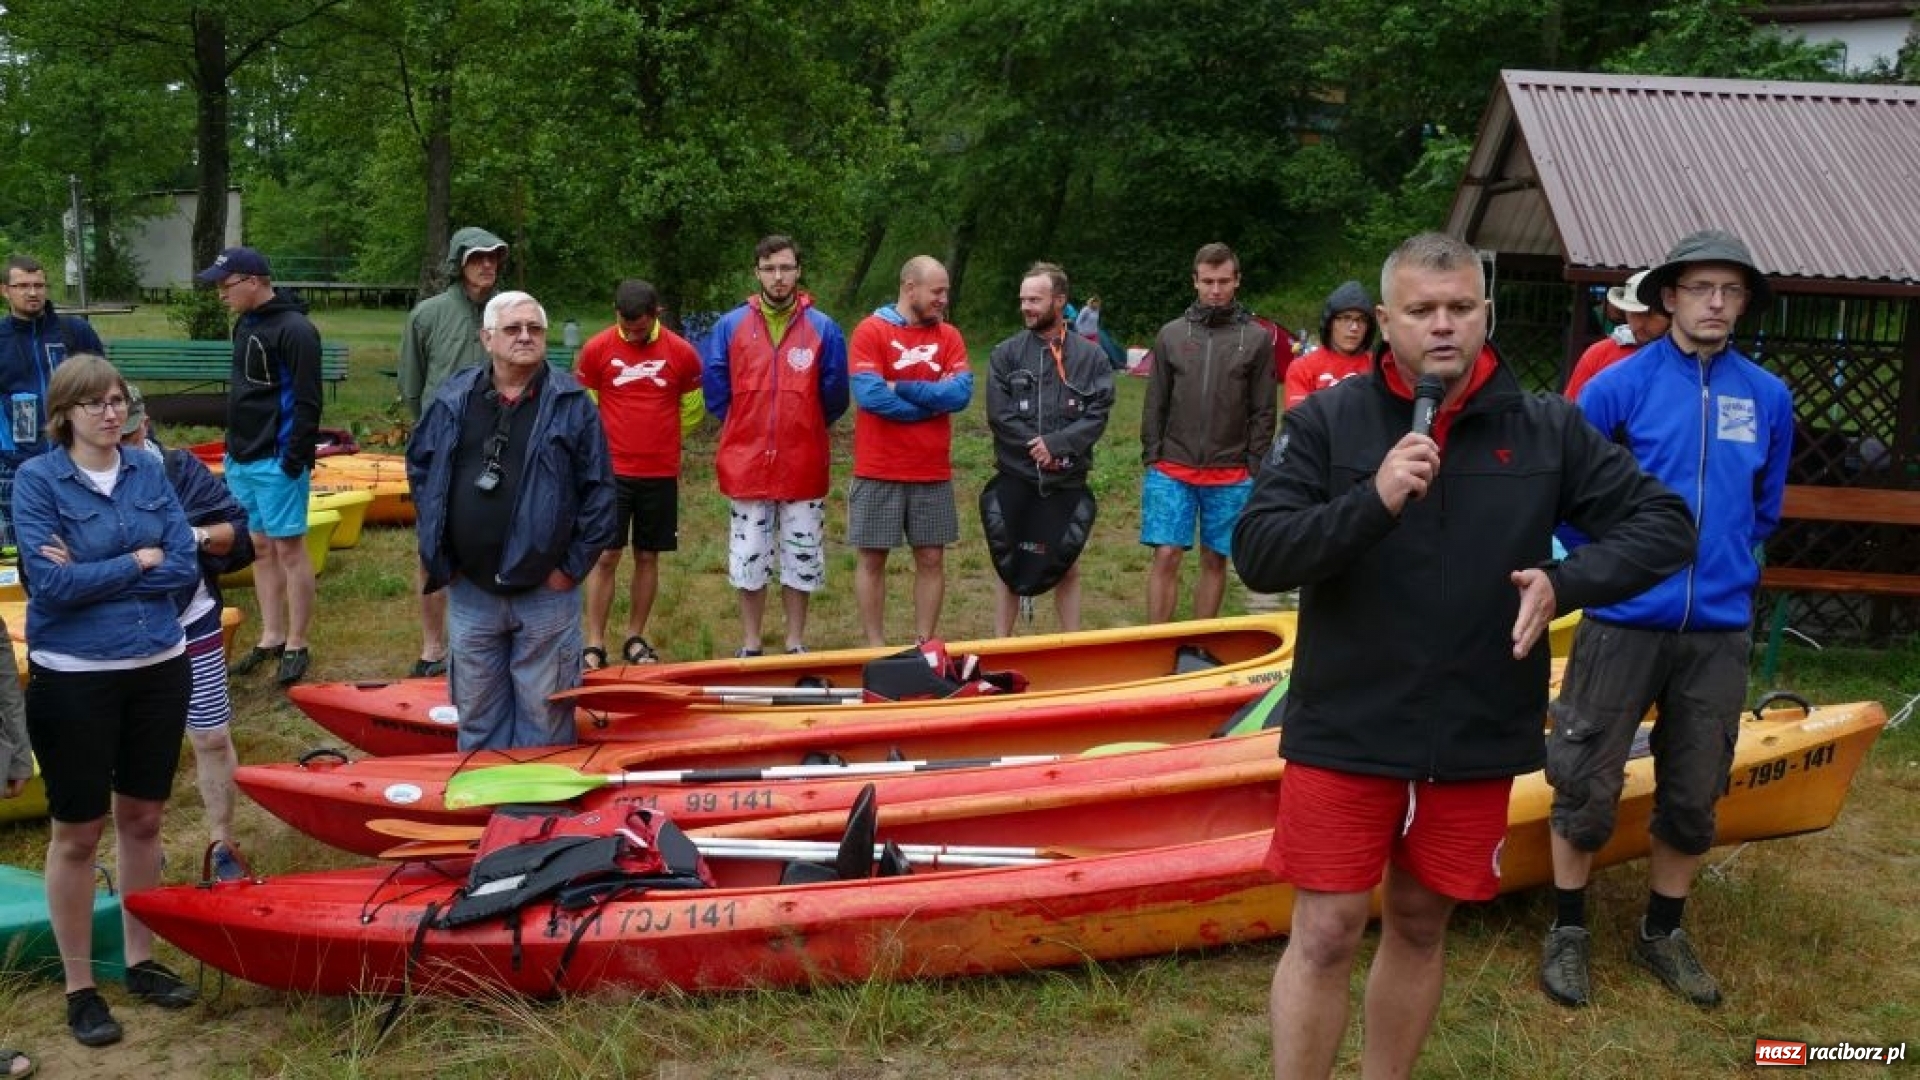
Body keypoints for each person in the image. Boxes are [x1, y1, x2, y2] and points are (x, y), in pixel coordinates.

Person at [1231, 231, 1694, 1080]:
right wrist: (1371, 499)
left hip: (1478, 722)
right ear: (1382, 321)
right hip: (1349, 718)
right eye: (1421, 311)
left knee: (1419, 922)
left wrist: (1567, 580)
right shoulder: (1330, 421)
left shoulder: (1546, 426)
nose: (1442, 326)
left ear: (1486, 312)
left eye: (1459, 308)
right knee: (1327, 929)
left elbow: (1666, 524)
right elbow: (1258, 551)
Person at [1542, 229, 1794, 1011]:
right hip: (1622, 618)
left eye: (1731, 291)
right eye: (1701, 288)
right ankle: (1568, 929)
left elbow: (1763, 510)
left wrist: (1722, 567)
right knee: (1585, 777)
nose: (1715, 303)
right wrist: (1612, 564)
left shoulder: (1768, 397)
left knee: (1694, 789)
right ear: (1670, 297)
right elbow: (1570, 492)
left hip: (1716, 627)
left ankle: (1662, 931)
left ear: (1744, 302)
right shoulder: (1618, 387)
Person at [13, 354, 206, 1047]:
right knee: (79, 831)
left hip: (158, 664)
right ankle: (80, 987)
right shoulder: (38, 481)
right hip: (74, 675)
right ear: (65, 412)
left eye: (118, 400)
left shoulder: (148, 471)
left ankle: (140, 960)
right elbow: (50, 586)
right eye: (94, 403)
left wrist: (110, 569)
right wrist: (137, 561)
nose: (110, 412)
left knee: (146, 818)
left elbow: (185, 565)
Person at [407, 291, 615, 751]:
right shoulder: (453, 397)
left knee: (545, 716)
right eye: (513, 329)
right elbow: (422, 471)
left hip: (546, 592)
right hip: (470, 591)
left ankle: (537, 817)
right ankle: (486, 813)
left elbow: (600, 492)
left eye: (535, 329)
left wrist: (569, 570)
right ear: (486, 338)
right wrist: (442, 553)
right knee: (477, 713)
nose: (525, 337)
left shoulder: (572, 403)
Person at [118, 385, 255, 881]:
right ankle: (138, 847)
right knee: (127, 747)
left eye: (130, 431)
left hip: (190, 621)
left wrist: (190, 536)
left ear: (146, 424)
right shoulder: (72, 478)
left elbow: (237, 535)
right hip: (121, 634)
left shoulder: (178, 469)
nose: (121, 442)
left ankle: (222, 842)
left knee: (212, 735)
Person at [702, 235, 848, 656]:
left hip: (802, 458)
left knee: (802, 553)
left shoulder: (823, 327)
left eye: (786, 268)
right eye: (769, 269)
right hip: (746, 459)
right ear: (757, 273)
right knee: (748, 554)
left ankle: (794, 640)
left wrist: (802, 424)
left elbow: (835, 393)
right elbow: (715, 387)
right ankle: (750, 642)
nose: (778, 277)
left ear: (798, 270)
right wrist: (745, 422)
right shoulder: (730, 326)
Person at [197, 246, 323, 687]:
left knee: (290, 550)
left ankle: (297, 641)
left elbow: (307, 401)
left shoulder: (296, 330)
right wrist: (233, 449)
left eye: (225, 286)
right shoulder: (245, 324)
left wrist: (293, 459)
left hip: (278, 461)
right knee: (260, 548)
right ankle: (270, 636)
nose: (221, 295)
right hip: (242, 457)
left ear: (253, 280)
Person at [1139, 242, 1276, 623]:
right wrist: (1153, 453)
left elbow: (1264, 409)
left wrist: (1255, 464)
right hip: (1172, 467)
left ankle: (1200, 644)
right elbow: (1155, 401)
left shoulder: (1257, 339)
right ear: (1194, 282)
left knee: (1215, 558)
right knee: (1166, 554)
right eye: (1208, 281)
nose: (1215, 290)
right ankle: (1156, 642)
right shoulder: (1171, 334)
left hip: (1231, 470)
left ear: (1237, 281)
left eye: (1223, 281)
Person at [398, 226, 509, 678]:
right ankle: (432, 646)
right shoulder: (428, 314)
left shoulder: (509, 311)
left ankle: (489, 639)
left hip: (502, 440)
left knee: (497, 541)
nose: (487, 265)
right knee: (433, 546)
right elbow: (411, 383)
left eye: (494, 258)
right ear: (458, 262)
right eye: (477, 257)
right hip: (441, 443)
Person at [574, 279, 703, 667]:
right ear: (616, 313)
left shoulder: (681, 352)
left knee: (648, 555)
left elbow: (693, 406)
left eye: (640, 329)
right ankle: (594, 643)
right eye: (625, 327)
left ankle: (635, 637)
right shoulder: (597, 349)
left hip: (659, 472)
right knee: (606, 555)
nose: (632, 334)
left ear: (655, 315)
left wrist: (663, 438)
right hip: (611, 473)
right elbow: (587, 405)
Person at [983, 261, 1114, 637]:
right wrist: (1035, 448)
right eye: (1023, 299)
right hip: (1017, 475)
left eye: (1035, 300)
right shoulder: (1005, 354)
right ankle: (1001, 646)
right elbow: (999, 413)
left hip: (1067, 479)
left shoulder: (1092, 358)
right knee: (1008, 562)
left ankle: (1069, 644)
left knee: (1067, 564)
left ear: (1059, 301)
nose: (1027, 307)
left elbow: (1098, 412)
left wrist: (1057, 445)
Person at [848, 256, 972, 646]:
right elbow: (870, 397)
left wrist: (900, 387)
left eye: (946, 292)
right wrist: (932, 405)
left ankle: (924, 644)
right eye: (937, 291)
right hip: (878, 468)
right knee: (872, 559)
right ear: (909, 288)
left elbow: (961, 394)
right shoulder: (871, 331)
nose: (943, 300)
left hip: (931, 470)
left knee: (932, 558)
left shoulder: (949, 336)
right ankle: (875, 647)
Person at [1, 254, 104, 549]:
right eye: (22, 286)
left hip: (76, 453)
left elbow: (104, 382)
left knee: (83, 538)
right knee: (22, 545)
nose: (32, 292)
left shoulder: (74, 331)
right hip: (14, 461)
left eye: (38, 285)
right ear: (5, 290)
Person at [1562, 269, 1671, 400]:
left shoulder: (1690, 357)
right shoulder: (1599, 354)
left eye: (1648, 314)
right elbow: (1571, 410)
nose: (1638, 324)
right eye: (1632, 313)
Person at [1283, 281, 1377, 409]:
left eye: (1361, 319)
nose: (1354, 327)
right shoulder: (1303, 368)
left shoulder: (1379, 367)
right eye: (1346, 318)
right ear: (1330, 322)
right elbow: (1300, 423)